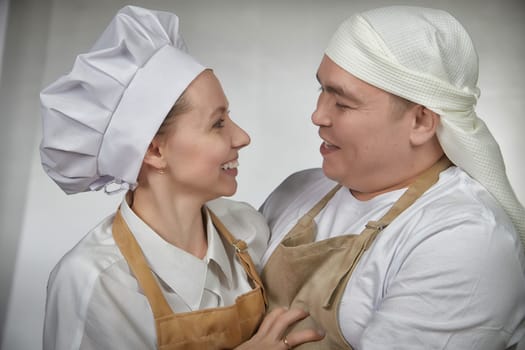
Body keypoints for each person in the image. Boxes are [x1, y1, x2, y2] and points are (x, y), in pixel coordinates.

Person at [39, 6, 323, 350]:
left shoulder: (247, 228)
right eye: (218, 123)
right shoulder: (96, 281)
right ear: (154, 151)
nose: (242, 137)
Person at [259, 5, 525, 350]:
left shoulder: (464, 238)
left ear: (421, 122)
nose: (317, 115)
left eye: (343, 104)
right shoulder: (297, 191)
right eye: (321, 91)